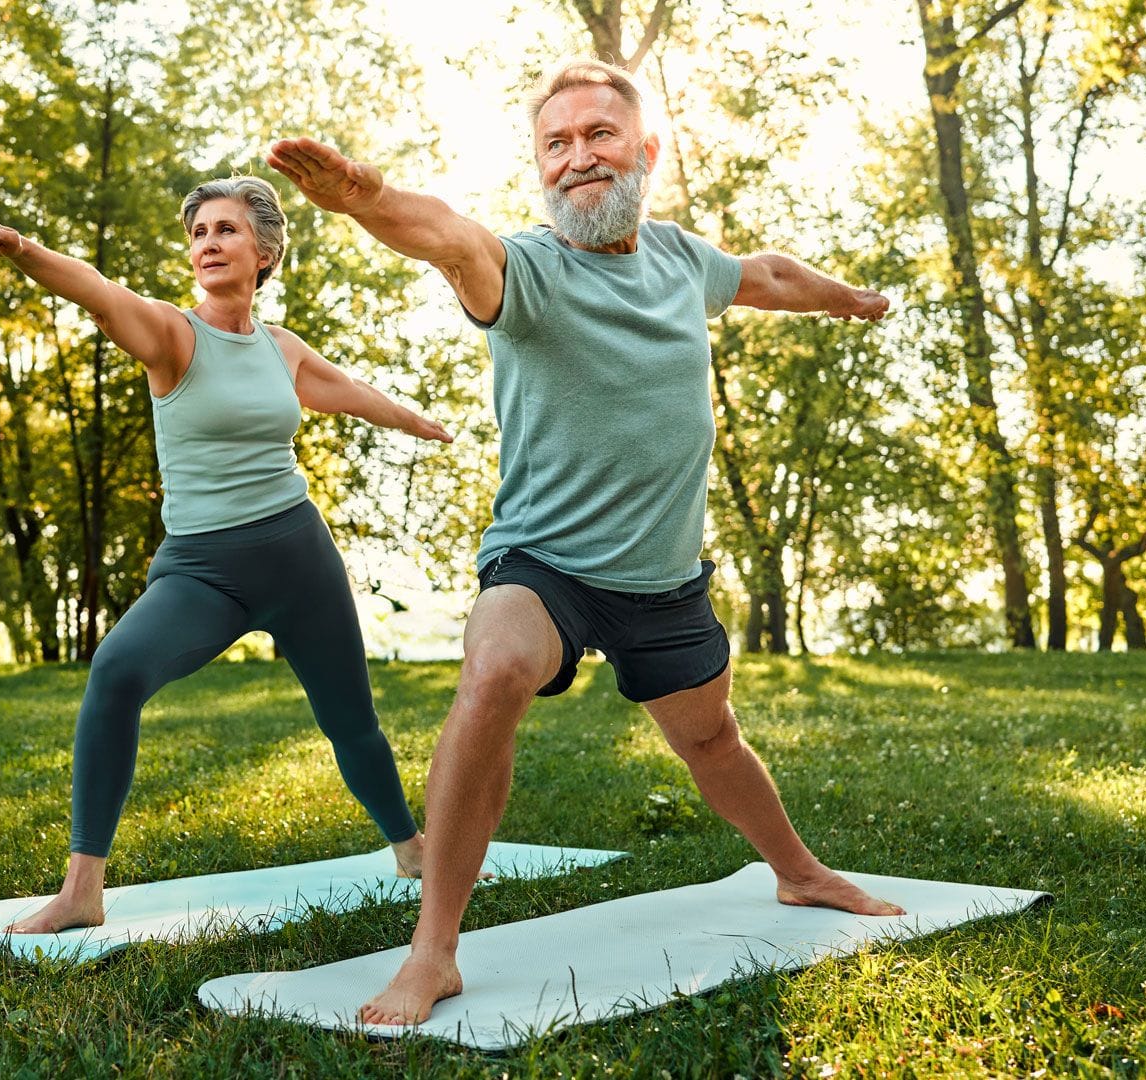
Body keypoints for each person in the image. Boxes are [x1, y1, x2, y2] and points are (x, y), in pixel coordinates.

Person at [266, 58, 907, 1025]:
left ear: (644, 152)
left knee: (712, 740)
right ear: (539, 170)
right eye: (555, 145)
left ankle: (800, 873)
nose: (578, 159)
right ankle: (432, 950)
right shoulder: (525, 271)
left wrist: (847, 297)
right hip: (546, 566)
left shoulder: (684, 261)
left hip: (662, 579)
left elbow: (768, 274)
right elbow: (448, 240)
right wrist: (368, 200)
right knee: (493, 669)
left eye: (599, 135)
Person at [0, 176, 453, 934]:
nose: (208, 243)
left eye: (226, 230)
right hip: (205, 571)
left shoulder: (282, 348)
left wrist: (416, 423)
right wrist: (20, 250)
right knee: (115, 671)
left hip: (300, 556)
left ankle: (410, 849)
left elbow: (345, 390)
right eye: (199, 233)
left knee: (351, 720)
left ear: (267, 252)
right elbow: (100, 294)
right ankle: (82, 889)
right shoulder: (172, 336)